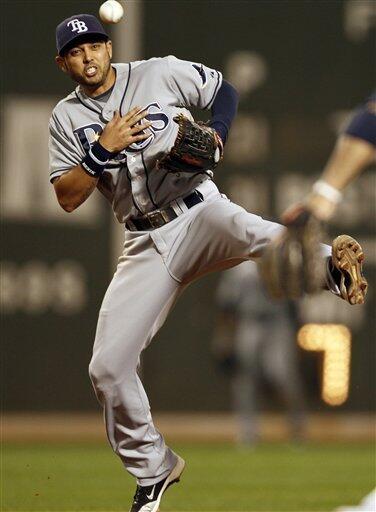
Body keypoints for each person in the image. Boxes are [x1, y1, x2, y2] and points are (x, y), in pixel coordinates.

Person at [49, 14, 367, 512]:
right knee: (107, 368)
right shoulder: (65, 119)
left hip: (198, 210)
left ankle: (330, 267)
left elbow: (224, 91)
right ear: (62, 63)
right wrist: (100, 151)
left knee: (253, 231)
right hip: (143, 242)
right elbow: (67, 197)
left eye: (94, 45)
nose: (87, 56)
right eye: (75, 51)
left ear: (109, 48)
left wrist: (216, 133)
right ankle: (153, 468)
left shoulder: (158, 73)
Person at [212, 262, 306, 446]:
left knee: (281, 374)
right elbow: (227, 304)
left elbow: (296, 304)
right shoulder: (240, 265)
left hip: (278, 322)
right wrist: (223, 336)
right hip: (249, 321)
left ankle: (297, 427)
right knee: (245, 377)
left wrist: (298, 336)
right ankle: (248, 432)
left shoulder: (282, 260)